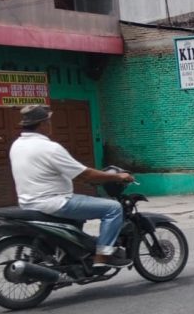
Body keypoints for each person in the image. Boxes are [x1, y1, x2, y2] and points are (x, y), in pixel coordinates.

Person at [9, 105, 135, 267]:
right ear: (42, 124)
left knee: (82, 209)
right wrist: (117, 176)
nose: (50, 124)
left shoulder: (17, 145)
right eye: (49, 121)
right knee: (113, 208)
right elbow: (85, 174)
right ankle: (103, 256)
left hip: (29, 202)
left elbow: (47, 172)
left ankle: (76, 253)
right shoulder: (50, 148)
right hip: (55, 203)